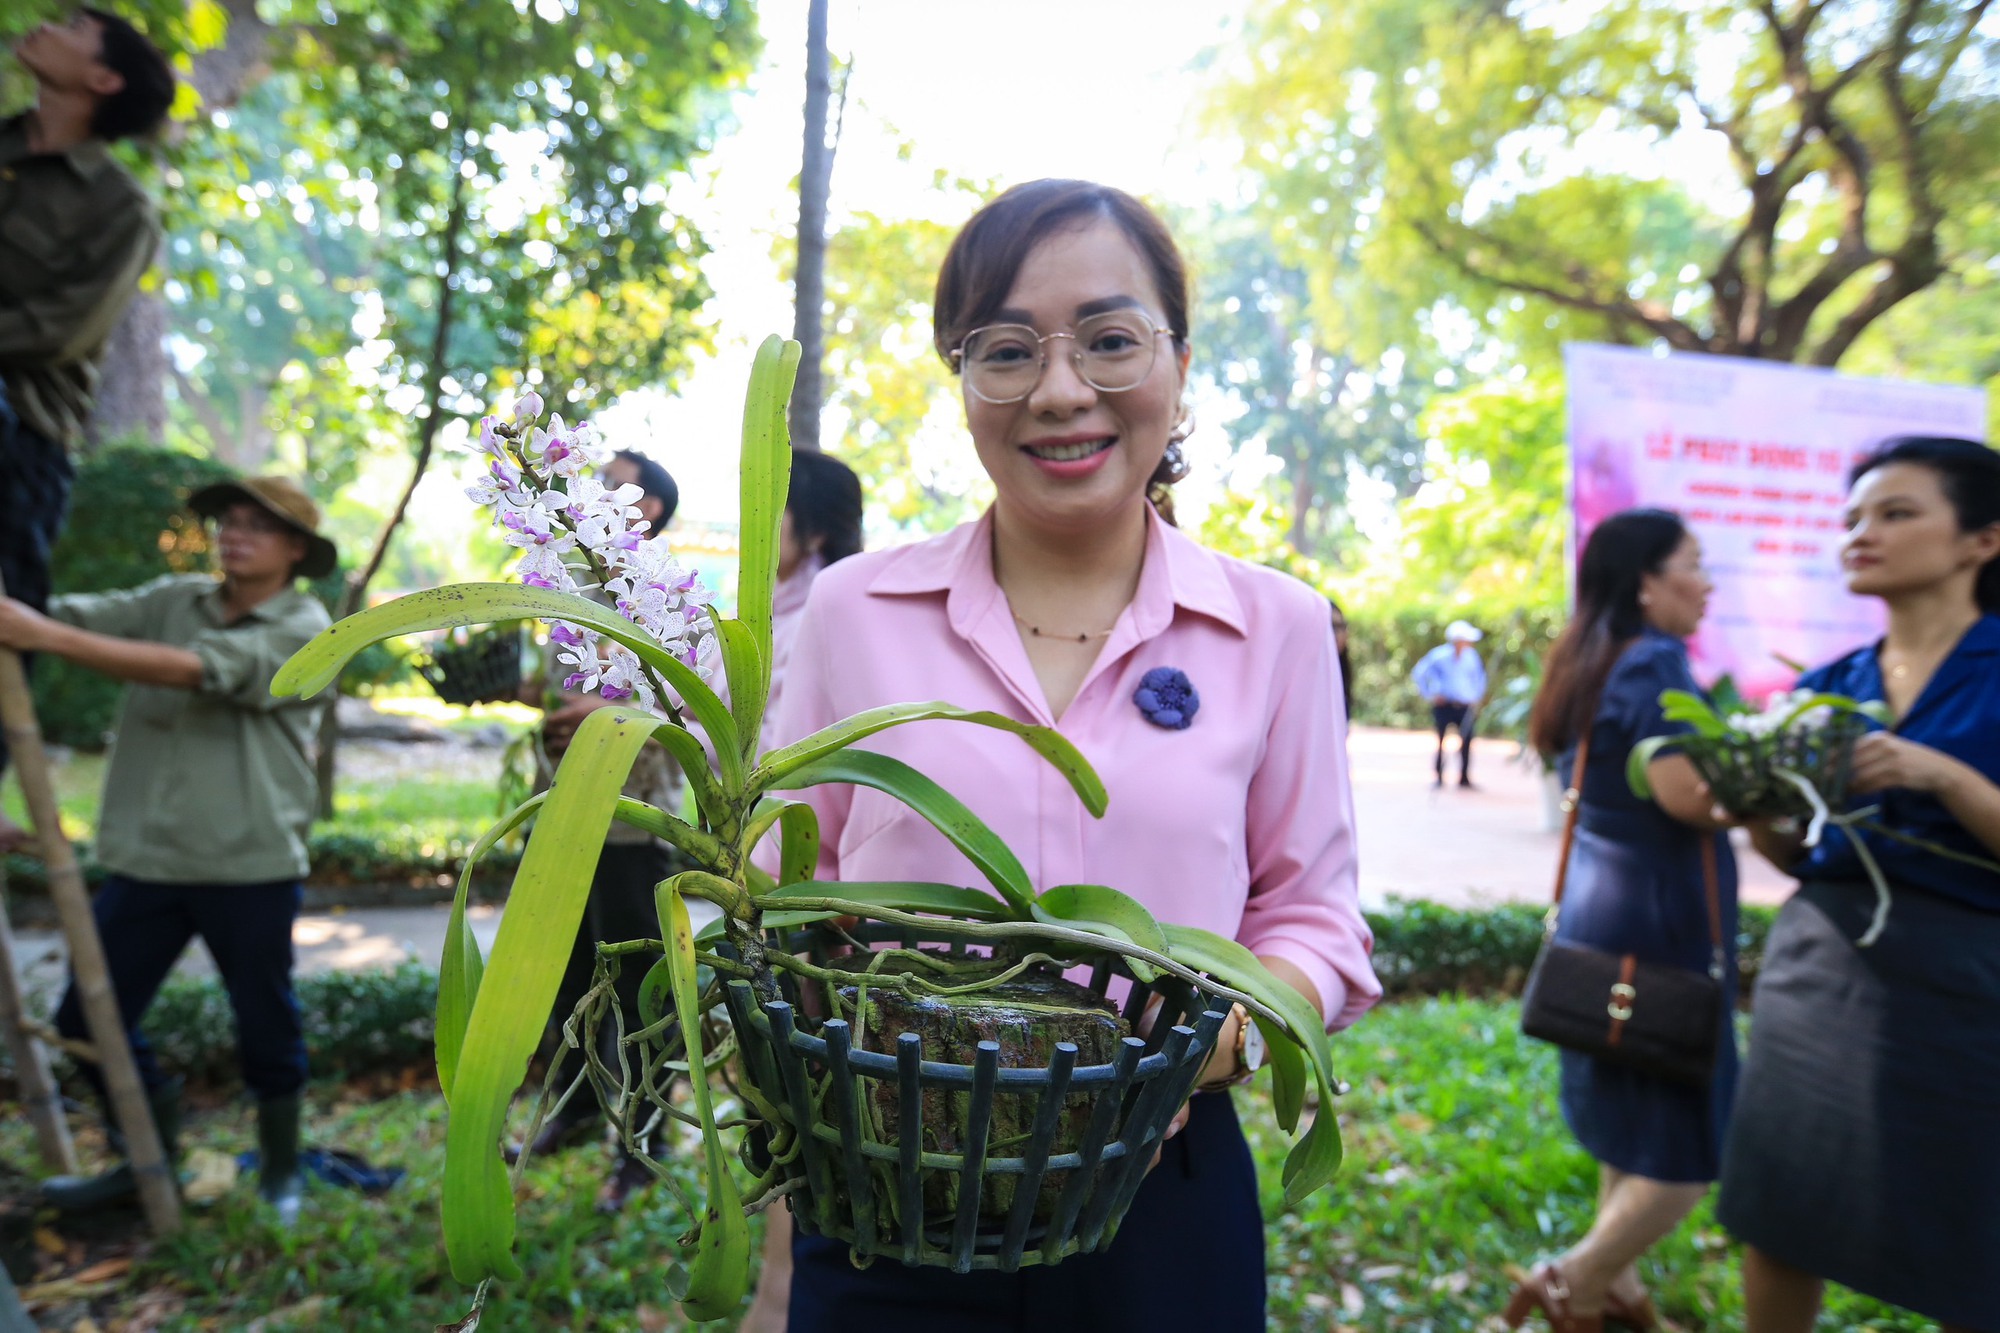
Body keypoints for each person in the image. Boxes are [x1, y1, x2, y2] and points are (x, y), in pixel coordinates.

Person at [760, 179, 1381, 1333]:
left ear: (1178, 365)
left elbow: (1314, 917)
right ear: (961, 381)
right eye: (1005, 350)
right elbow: (778, 891)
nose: (1058, 391)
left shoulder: (1277, 625)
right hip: (889, 1186)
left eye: (1107, 339)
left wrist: (1186, 1062)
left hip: (1162, 1196)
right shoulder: (853, 611)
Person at [1718, 436, 2000, 1333]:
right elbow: (1804, 856)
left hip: (1971, 980)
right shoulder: (1827, 687)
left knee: (1972, 1218)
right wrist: (1756, 805)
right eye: (1850, 519)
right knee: (1784, 1206)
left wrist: (1943, 775)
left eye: (1896, 512)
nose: (1860, 534)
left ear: (1981, 541)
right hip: (1819, 965)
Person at [0, 476, 335, 1225]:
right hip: (147, 859)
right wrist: (32, 616)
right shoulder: (172, 600)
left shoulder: (308, 625)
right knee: (90, 1020)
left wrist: (42, 635)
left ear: (296, 551)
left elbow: (200, 670)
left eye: (258, 525)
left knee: (265, 1024)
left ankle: (282, 1169)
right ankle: (149, 1158)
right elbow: (63, 613)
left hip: (247, 861)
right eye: (228, 521)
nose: (234, 534)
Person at [1512, 509, 1740, 1332]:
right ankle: (1573, 1278)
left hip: (1598, 922)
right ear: (1647, 580)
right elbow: (1690, 795)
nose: (1708, 584)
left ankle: (1618, 1298)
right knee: (1685, 1152)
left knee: (1631, 1122)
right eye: (1694, 563)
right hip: (1660, 926)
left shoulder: (1591, 657)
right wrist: (1775, 774)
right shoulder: (1657, 661)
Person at [0, 10, 175, 786]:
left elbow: (61, 330)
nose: (45, 24)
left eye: (73, 26)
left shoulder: (121, 207)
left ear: (104, 79)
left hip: (23, 432)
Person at [510, 446, 684, 1213]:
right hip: (561, 821)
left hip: (633, 830)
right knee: (568, 981)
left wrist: (613, 715)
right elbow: (561, 689)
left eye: (608, 483)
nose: (584, 486)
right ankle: (579, 1113)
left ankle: (644, 1144)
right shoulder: (566, 585)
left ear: (642, 510)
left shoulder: (660, 594)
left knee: (644, 998)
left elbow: (686, 700)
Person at [741, 444, 864, 1333]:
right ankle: (779, 1281)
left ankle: (784, 1285)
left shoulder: (834, 611)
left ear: (812, 526)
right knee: (782, 1090)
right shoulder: (761, 611)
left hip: (808, 902)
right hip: (761, 889)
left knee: (804, 1092)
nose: (752, 524)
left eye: (768, 506)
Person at [1411, 619, 1486, 788]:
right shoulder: (1439, 656)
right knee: (1441, 741)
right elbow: (1419, 674)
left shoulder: (1471, 657)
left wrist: (1476, 696)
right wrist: (1430, 694)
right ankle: (1439, 777)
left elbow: (1479, 678)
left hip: (1464, 706)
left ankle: (1464, 777)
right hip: (1444, 705)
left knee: (1467, 740)